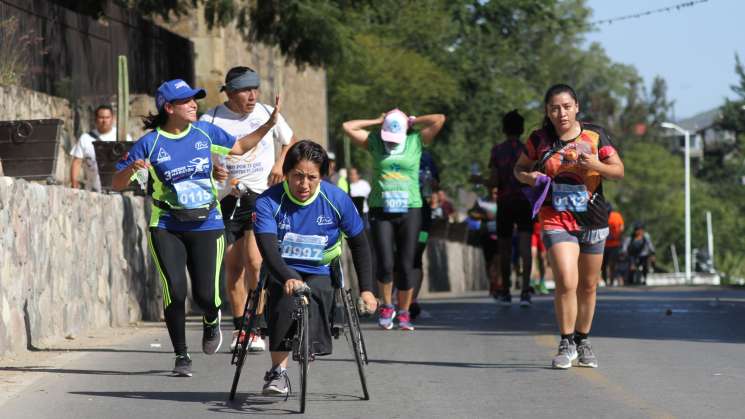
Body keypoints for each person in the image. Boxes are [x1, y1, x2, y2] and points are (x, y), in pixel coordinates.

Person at [112, 79, 282, 377]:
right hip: (166, 226)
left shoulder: (204, 132)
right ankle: (181, 355)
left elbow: (240, 147)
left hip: (207, 224)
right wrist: (132, 170)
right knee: (175, 292)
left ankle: (210, 319)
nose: (194, 105)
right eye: (187, 101)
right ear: (169, 108)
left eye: (195, 100)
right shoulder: (149, 144)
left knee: (207, 295)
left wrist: (269, 125)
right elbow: (116, 182)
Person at [253, 140, 377, 395]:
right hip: (283, 267)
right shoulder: (268, 201)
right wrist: (288, 277)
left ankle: (310, 345)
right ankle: (278, 372)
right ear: (286, 174)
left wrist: (367, 289)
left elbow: (360, 245)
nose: (304, 185)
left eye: (312, 177)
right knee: (284, 297)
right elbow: (267, 248)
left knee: (318, 293)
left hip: (321, 268)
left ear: (322, 178)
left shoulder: (337, 199)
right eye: (298, 176)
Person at [514, 84, 624, 369]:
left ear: (576, 107)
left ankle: (583, 339)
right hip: (555, 216)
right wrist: (529, 178)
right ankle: (566, 342)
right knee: (566, 278)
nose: (560, 113)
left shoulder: (596, 135)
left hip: (593, 218)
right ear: (547, 112)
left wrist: (596, 165)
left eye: (565, 106)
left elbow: (618, 171)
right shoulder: (539, 139)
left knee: (587, 286)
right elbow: (519, 168)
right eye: (554, 108)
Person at [200, 66, 296, 353]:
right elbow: (200, 152)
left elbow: (289, 140)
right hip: (227, 196)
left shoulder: (268, 112)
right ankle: (241, 327)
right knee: (233, 265)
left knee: (255, 261)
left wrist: (280, 164)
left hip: (260, 194)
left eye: (255, 89)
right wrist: (213, 167)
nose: (252, 95)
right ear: (229, 92)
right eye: (245, 90)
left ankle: (256, 327)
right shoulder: (212, 118)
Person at [342, 109, 445, 331]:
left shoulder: (416, 141)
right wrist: (377, 120)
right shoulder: (376, 142)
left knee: (407, 264)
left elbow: (440, 119)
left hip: (411, 209)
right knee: (386, 263)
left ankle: (405, 312)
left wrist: (413, 120)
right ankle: (388, 306)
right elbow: (348, 127)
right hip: (381, 209)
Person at [488, 110, 533, 306]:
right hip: (525, 201)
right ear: (522, 129)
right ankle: (525, 291)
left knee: (504, 248)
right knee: (525, 247)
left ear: (504, 128)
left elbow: (494, 181)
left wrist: (482, 181)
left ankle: (505, 290)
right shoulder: (528, 150)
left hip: (505, 202)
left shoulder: (497, 151)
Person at [70, 104, 132, 191]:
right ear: (96, 119)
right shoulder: (85, 138)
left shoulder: (123, 137)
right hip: (93, 191)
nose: (104, 121)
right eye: (101, 117)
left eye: (107, 117)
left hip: (117, 191)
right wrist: (74, 185)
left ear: (112, 118)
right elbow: (77, 162)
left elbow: (131, 162)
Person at [410, 150, 440, 320]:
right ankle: (394, 300)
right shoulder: (391, 151)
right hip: (399, 214)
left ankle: (412, 300)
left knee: (417, 254)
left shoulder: (427, 157)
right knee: (398, 257)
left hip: (423, 216)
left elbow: (436, 185)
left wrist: (429, 182)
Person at [468, 186, 500, 297]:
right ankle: (492, 283)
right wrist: (484, 215)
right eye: (492, 192)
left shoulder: (504, 201)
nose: (494, 195)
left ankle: (497, 284)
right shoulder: (482, 202)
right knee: (489, 263)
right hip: (486, 235)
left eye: (496, 192)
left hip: (501, 236)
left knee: (499, 261)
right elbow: (471, 213)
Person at [602, 206, 625, 286]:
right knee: (603, 264)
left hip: (615, 244)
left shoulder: (616, 216)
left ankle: (611, 281)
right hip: (604, 245)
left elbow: (622, 227)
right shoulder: (601, 215)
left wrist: (618, 235)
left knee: (612, 263)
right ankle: (606, 281)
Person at [530, 219, 550, 294]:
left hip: (543, 230)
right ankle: (531, 281)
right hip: (532, 231)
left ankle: (542, 281)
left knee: (542, 258)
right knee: (532, 255)